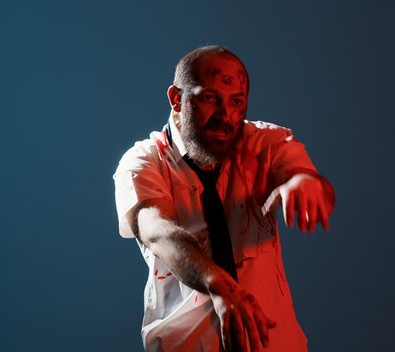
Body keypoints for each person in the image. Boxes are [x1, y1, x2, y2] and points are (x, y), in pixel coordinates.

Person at [113, 45, 335, 352]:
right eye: (208, 99)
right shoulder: (143, 161)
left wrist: (305, 183)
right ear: (177, 99)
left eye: (237, 102)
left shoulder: (264, 142)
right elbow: (156, 231)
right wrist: (219, 285)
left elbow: (300, 171)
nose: (226, 116)